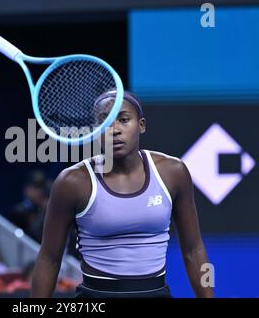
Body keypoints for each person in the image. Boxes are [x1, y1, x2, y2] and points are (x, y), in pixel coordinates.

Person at [31, 90, 213, 298]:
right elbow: (49, 258)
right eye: (104, 121)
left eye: (124, 120)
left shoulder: (173, 172)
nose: (114, 129)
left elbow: (195, 250)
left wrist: (209, 296)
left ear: (141, 125)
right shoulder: (72, 182)